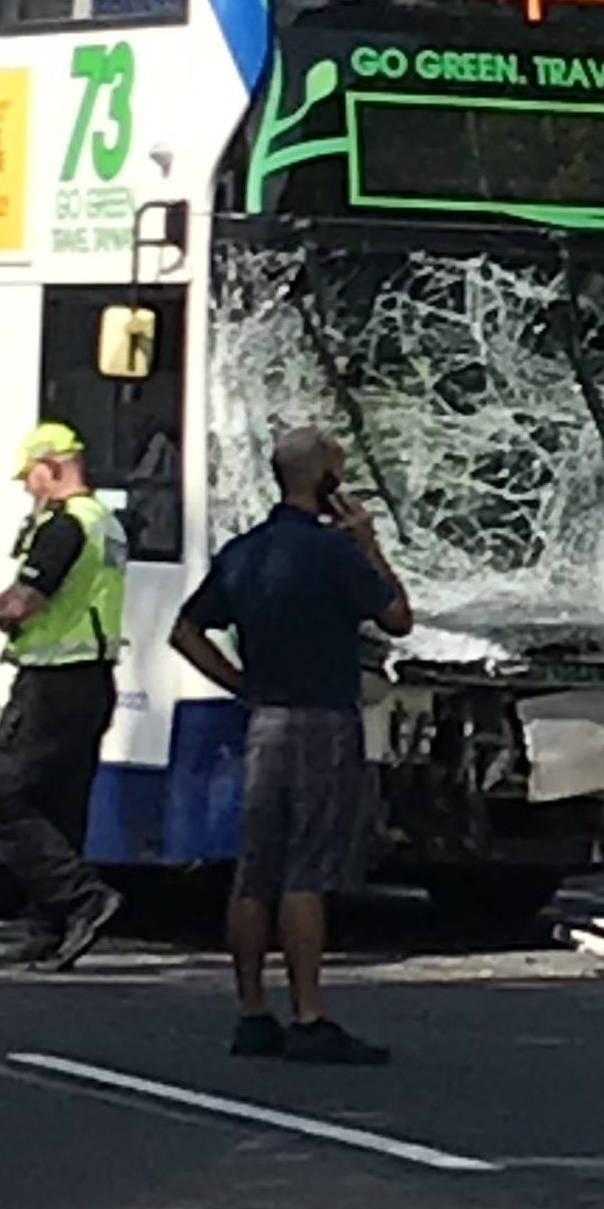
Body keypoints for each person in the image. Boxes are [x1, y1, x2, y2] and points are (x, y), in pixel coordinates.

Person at [171, 428, 413, 1065]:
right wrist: (368, 543)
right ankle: (309, 1014)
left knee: (255, 872)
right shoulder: (332, 554)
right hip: (323, 720)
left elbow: (186, 631)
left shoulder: (246, 552)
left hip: (266, 721)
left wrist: (241, 685)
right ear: (327, 479)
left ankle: (253, 1012)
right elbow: (397, 618)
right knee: (307, 872)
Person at [0, 422, 127, 972]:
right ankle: (52, 928)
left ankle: (81, 898)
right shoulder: (106, 522)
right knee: (59, 806)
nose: (28, 487)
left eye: (30, 476)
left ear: (52, 465)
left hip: (52, 681)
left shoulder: (66, 526)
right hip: (92, 680)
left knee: (3, 799)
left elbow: (27, 599)